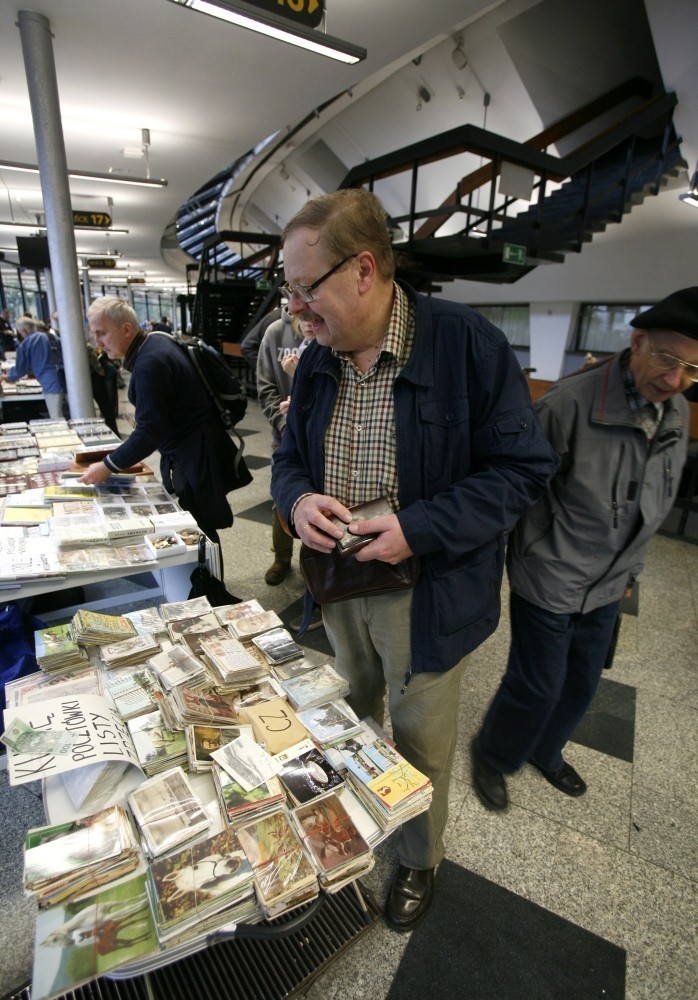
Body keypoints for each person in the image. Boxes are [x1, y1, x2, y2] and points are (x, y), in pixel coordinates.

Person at [270, 189, 559, 931]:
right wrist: (300, 501)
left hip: (428, 589)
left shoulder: (469, 345)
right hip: (338, 581)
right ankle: (359, 826)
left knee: (422, 737)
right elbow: (287, 460)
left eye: (306, 290)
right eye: (289, 290)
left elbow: (522, 471)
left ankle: (418, 861)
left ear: (363, 270)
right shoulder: (316, 362)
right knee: (351, 714)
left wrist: (418, 527)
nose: (295, 310)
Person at [471, 286, 697, 812]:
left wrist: (629, 572)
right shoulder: (569, 403)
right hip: (549, 578)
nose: (675, 379)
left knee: (583, 682)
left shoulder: (677, 412)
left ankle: (545, 750)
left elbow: (655, 497)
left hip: (609, 581)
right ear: (637, 341)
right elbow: (514, 487)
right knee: (537, 684)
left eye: (691, 368)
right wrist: (526, 559)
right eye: (667, 358)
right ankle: (495, 754)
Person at [78, 297, 241, 555]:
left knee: (200, 527)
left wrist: (107, 465)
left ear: (126, 329)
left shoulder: (149, 363)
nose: (97, 342)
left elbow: (150, 432)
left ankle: (211, 588)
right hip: (198, 445)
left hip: (194, 454)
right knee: (201, 523)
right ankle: (208, 583)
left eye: (102, 333)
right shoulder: (155, 340)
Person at [256, 308, 311, 586]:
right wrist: (284, 424)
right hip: (285, 433)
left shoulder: (326, 328)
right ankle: (281, 559)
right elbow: (265, 387)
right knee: (282, 499)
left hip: (315, 436)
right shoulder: (275, 332)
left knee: (315, 501)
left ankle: (313, 568)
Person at [0, 318, 65, 419]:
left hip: (50, 384)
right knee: (76, 414)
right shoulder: (52, 337)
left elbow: (21, 369)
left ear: (24, 330)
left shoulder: (26, 344)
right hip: (66, 379)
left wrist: (9, 377)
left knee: (57, 417)